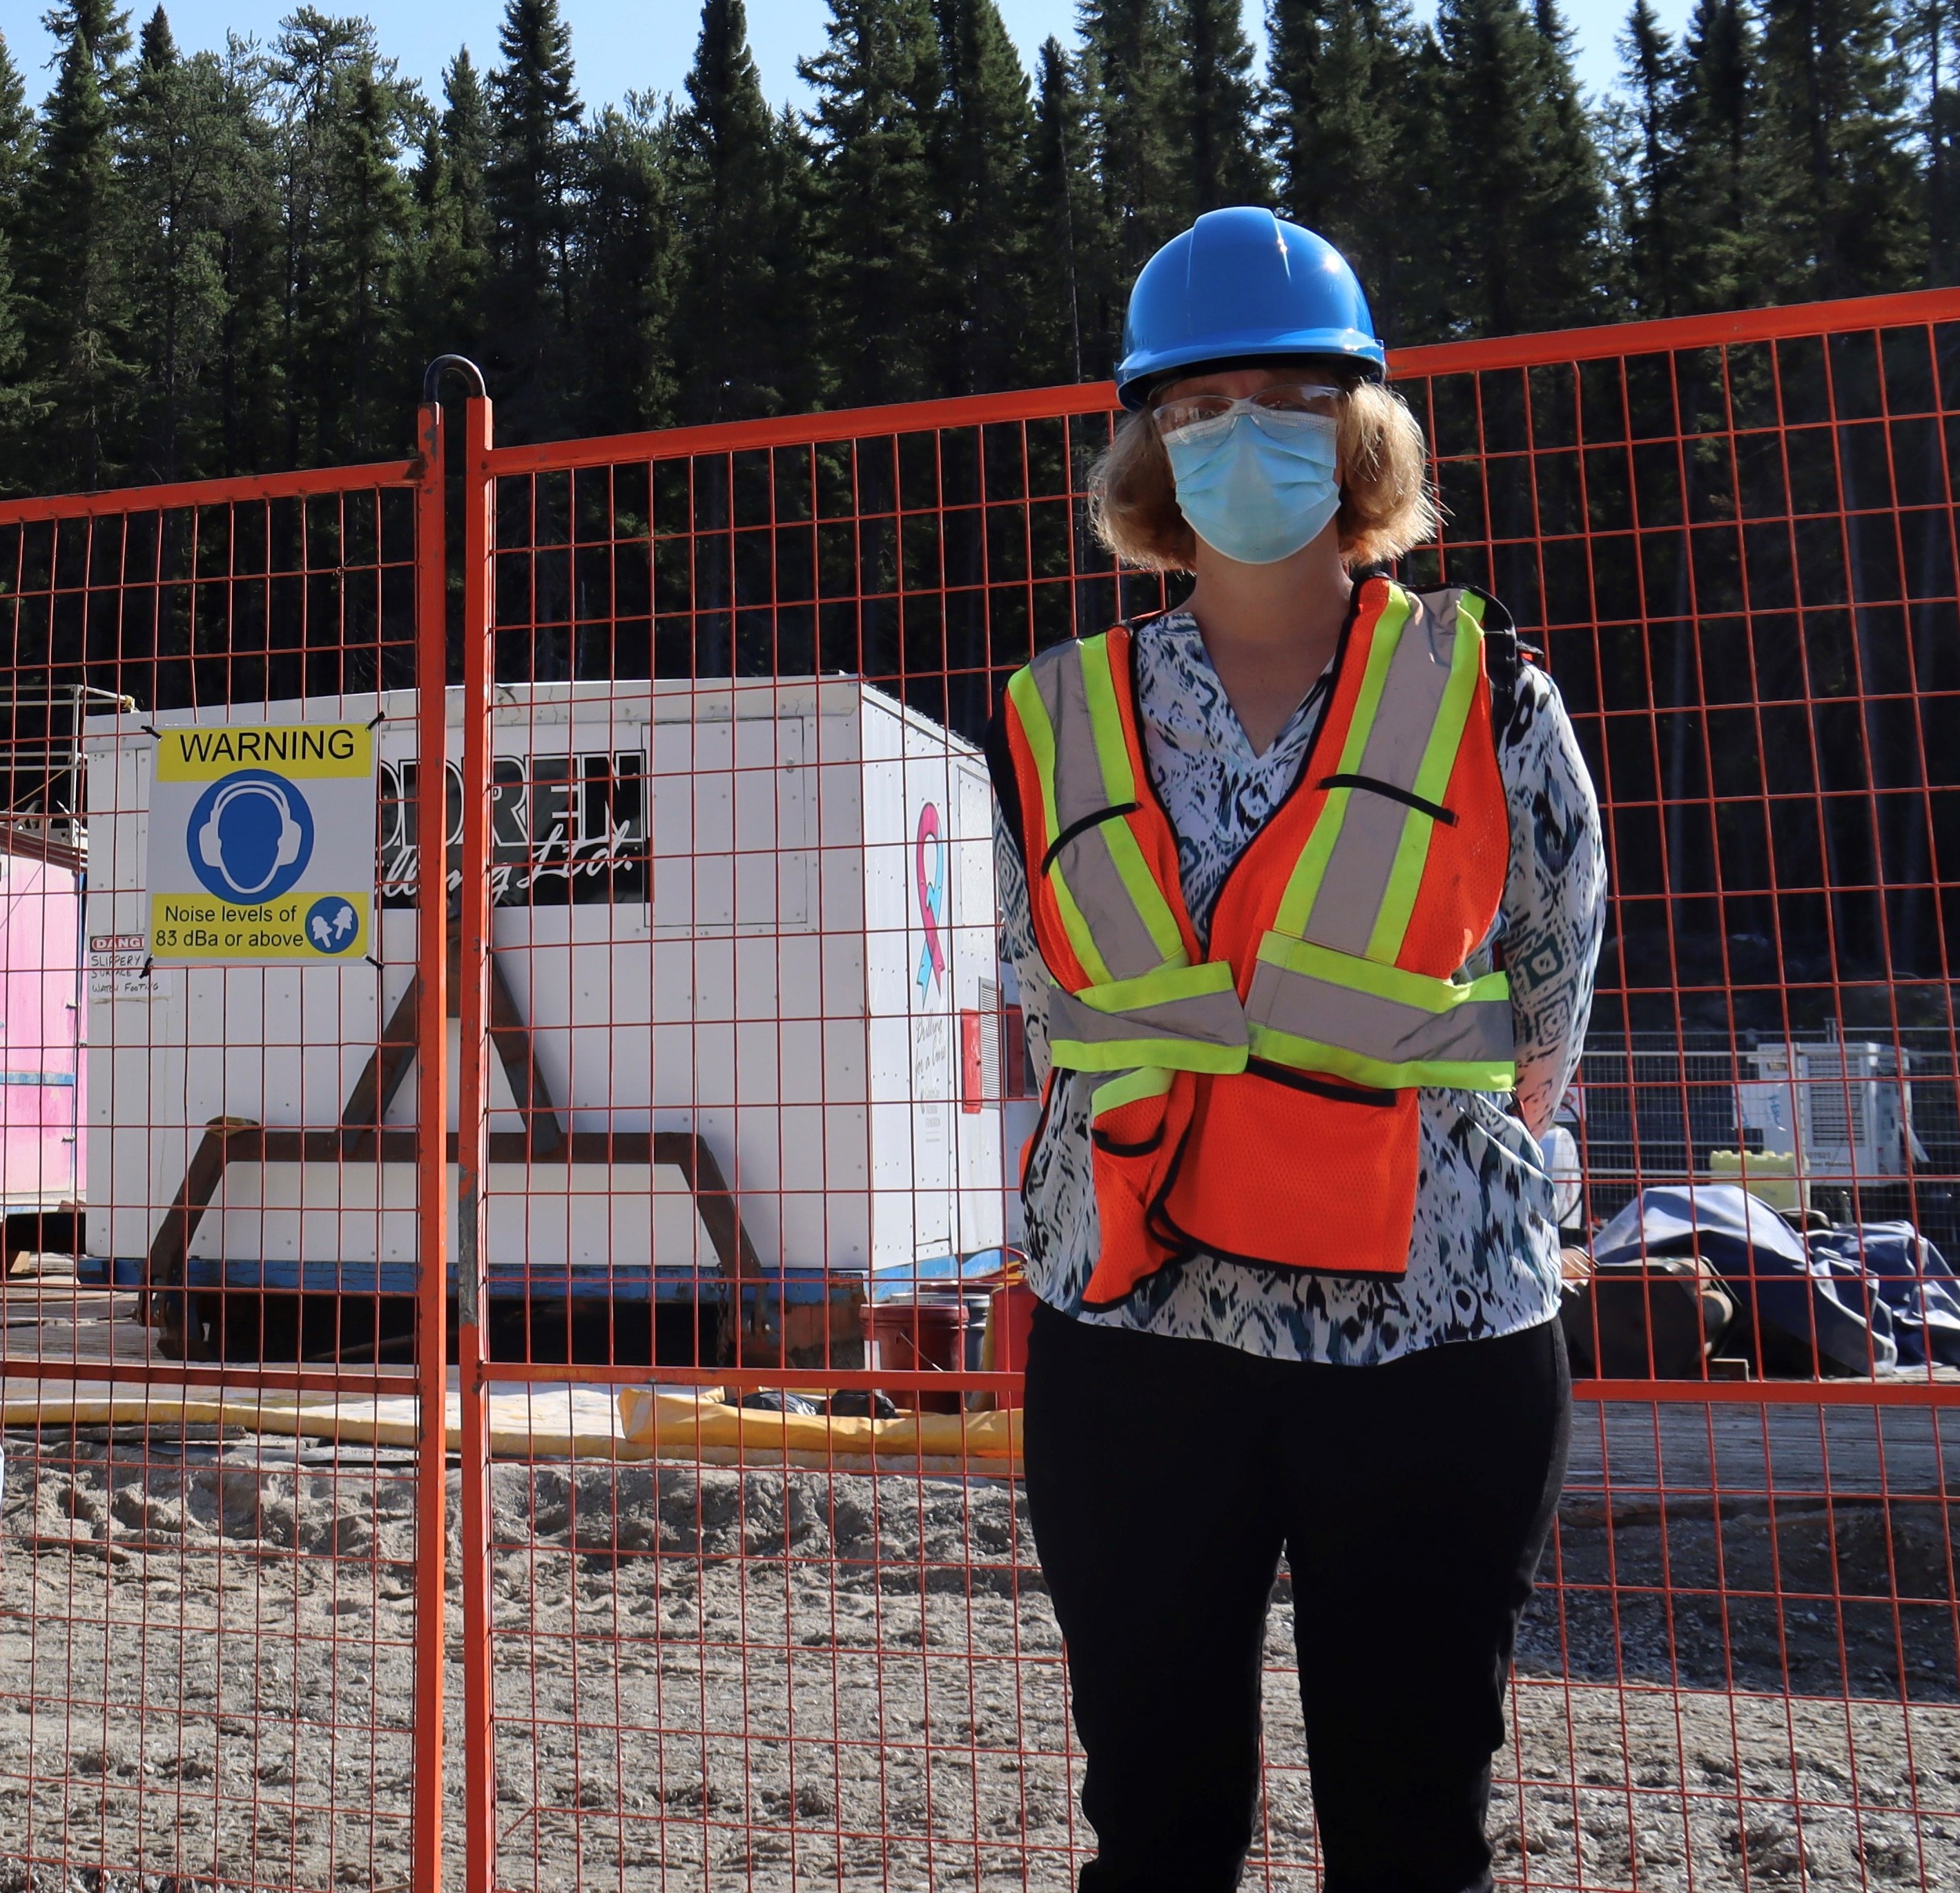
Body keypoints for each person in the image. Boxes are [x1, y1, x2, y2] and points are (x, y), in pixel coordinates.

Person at [984, 208, 1607, 1893]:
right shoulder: (1050, 719)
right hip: (1139, 1343)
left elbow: (1545, 1015)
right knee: (1157, 1839)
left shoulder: (1492, 695)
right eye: (1195, 403)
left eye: (1284, 393)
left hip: (1437, 1338)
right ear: (1146, 445)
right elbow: (1042, 1001)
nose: (1238, 431)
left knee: (1413, 1844)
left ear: (1362, 429)